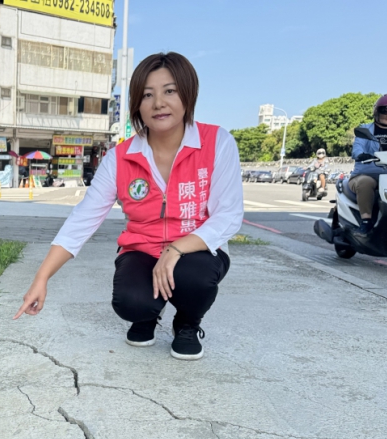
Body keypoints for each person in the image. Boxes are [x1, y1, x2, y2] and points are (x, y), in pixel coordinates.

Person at [13, 52, 244, 360]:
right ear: (137, 104)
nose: (159, 103)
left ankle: (188, 322)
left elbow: (228, 215)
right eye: (147, 95)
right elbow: (84, 218)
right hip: (142, 249)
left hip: (195, 251)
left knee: (195, 279)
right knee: (130, 301)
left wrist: (176, 249)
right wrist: (41, 279)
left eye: (170, 91)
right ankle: (146, 316)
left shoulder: (217, 142)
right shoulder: (120, 158)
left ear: (188, 93)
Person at [348, 93, 387, 234]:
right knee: (366, 182)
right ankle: (366, 220)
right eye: (385, 111)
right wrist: (361, 154)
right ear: (377, 111)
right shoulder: (365, 130)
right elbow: (357, 147)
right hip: (365, 174)